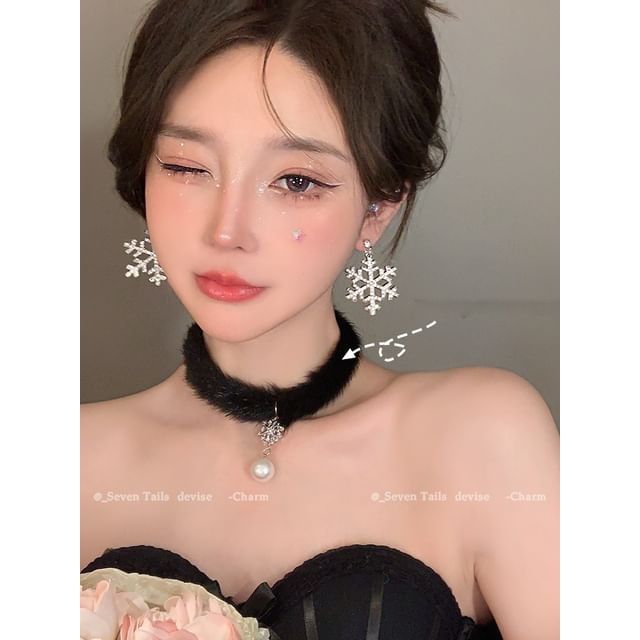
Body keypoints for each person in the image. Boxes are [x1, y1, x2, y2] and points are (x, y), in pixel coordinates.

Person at [80, 1, 559, 638]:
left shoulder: (482, 438)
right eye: (187, 166)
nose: (227, 231)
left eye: (297, 181)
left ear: (380, 204)